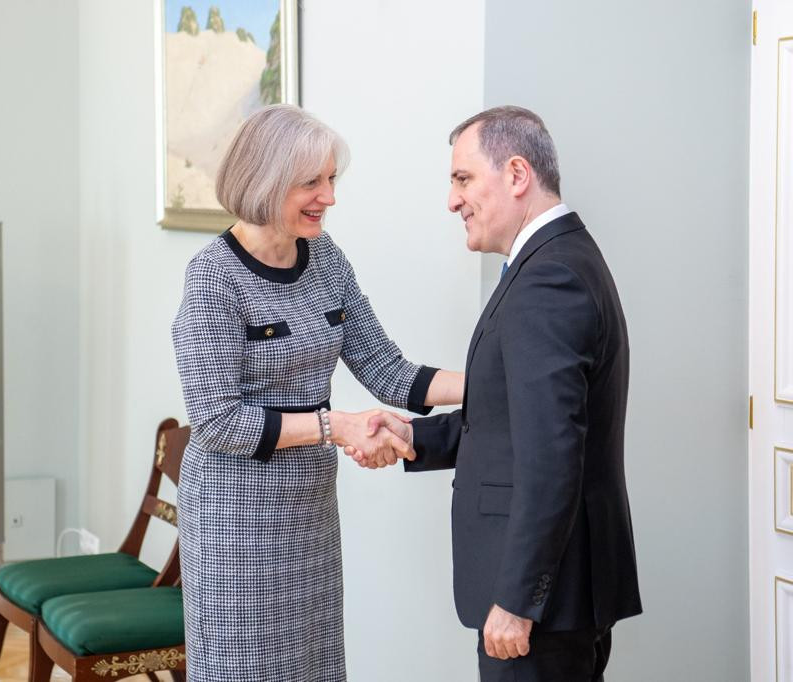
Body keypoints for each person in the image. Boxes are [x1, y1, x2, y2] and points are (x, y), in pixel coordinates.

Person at [171, 104, 463, 682]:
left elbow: (387, 369)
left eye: (331, 179)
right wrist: (336, 426)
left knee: (313, 664)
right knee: (245, 667)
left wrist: (494, 384)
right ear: (265, 180)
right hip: (234, 516)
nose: (328, 197)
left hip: (309, 506)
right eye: (312, 182)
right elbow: (217, 421)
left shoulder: (326, 260)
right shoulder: (213, 278)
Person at [349, 106, 642, 681]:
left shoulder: (548, 278)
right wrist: (413, 436)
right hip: (559, 597)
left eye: (462, 179)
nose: (452, 201)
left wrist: (517, 601)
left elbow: (553, 453)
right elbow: (513, 419)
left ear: (516, 174)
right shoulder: (555, 260)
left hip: (541, 605)